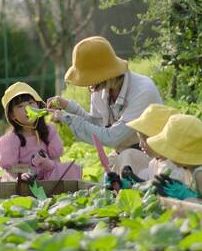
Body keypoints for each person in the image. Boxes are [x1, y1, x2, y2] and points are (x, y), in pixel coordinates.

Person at [47, 36, 162, 174]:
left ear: (102, 74)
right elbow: (97, 124)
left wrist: (67, 118)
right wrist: (67, 106)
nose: (88, 84)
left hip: (156, 159)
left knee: (126, 159)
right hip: (123, 155)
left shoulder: (142, 91)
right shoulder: (99, 88)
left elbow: (112, 137)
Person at [0, 82, 81, 181]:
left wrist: (48, 164)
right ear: (12, 115)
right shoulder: (11, 139)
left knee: (71, 168)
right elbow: (10, 168)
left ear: (38, 106)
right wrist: (25, 172)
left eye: (30, 103)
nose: (27, 109)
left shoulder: (48, 131)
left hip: (46, 174)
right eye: (20, 106)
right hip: (22, 178)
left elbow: (56, 161)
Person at [125, 104, 191, 183]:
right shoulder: (154, 163)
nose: (140, 145)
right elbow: (149, 181)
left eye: (143, 140)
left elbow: (159, 191)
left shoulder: (175, 169)